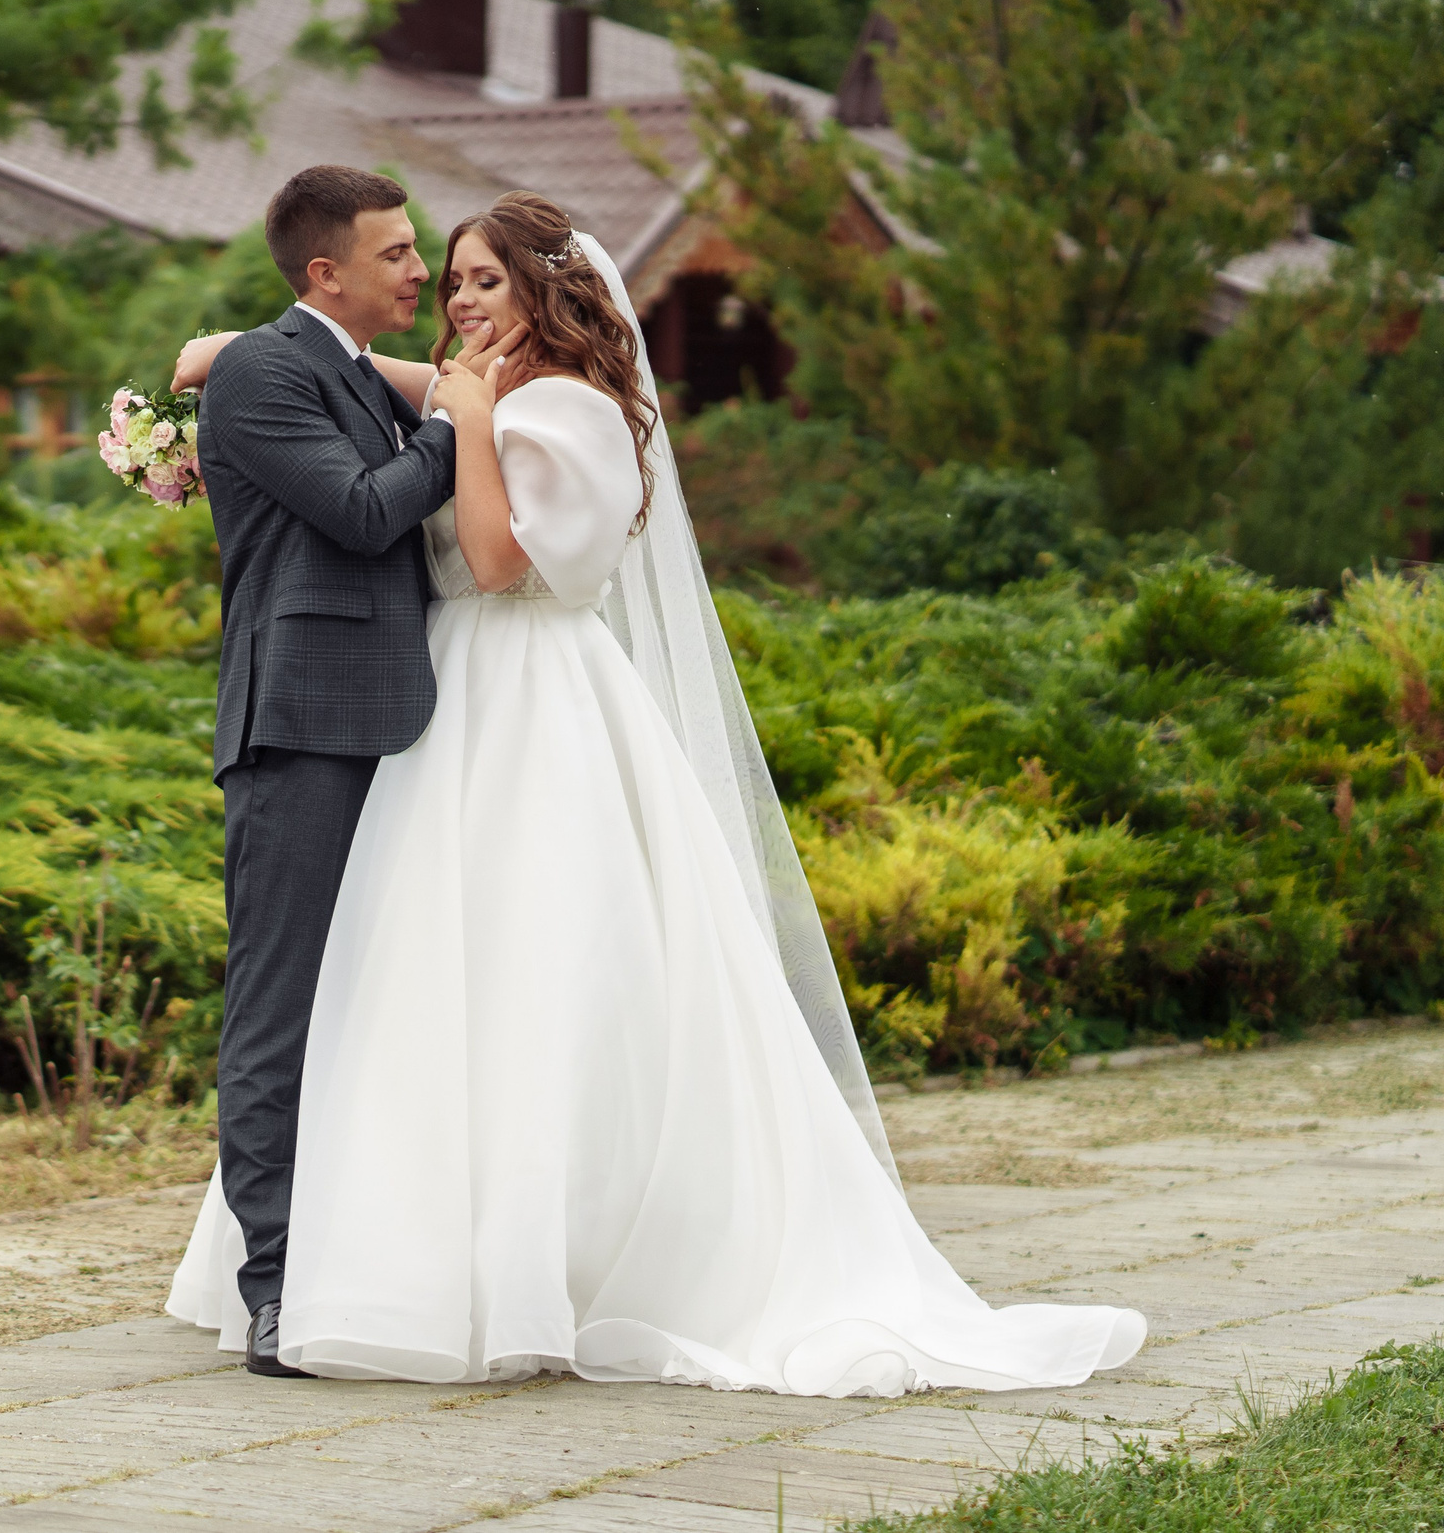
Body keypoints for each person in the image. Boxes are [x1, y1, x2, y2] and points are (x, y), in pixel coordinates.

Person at [164, 189, 1147, 1394]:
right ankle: (372, 1258)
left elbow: (490, 555)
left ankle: (558, 1262)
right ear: (329, 273)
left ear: (542, 292)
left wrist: (459, 414)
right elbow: (397, 386)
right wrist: (234, 355)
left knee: (547, 990)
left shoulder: (561, 410)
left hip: (528, 702)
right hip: (438, 711)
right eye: (435, 269)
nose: (451, 292)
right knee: (415, 986)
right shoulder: (484, 392)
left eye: (476, 278)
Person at [188, 165, 468, 1377]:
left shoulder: (350, 370)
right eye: (399, 253)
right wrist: (458, 430)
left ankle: (372, 1256)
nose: (423, 272)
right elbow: (361, 514)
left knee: (377, 1005)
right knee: (281, 1009)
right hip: (299, 723)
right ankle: (273, 1287)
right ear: (325, 273)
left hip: (387, 718)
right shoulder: (265, 370)